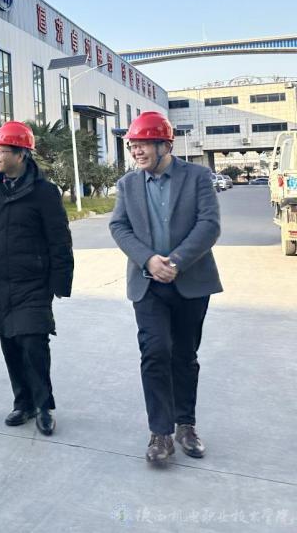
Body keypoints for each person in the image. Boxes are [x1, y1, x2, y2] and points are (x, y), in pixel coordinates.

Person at [109, 111, 221, 464]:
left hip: (190, 282)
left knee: (184, 355)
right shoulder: (128, 184)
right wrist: (148, 260)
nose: (137, 151)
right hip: (147, 285)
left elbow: (209, 224)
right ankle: (160, 433)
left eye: (143, 144)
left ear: (165, 145)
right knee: (155, 351)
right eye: (133, 145)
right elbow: (119, 226)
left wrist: (175, 262)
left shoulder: (197, 177)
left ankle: (186, 425)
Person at [0, 121, 74, 436]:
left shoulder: (44, 192)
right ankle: (23, 403)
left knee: (33, 341)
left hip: (33, 281)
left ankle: (43, 405)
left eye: (2, 150)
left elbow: (59, 239)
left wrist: (61, 281)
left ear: (21, 153)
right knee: (9, 342)